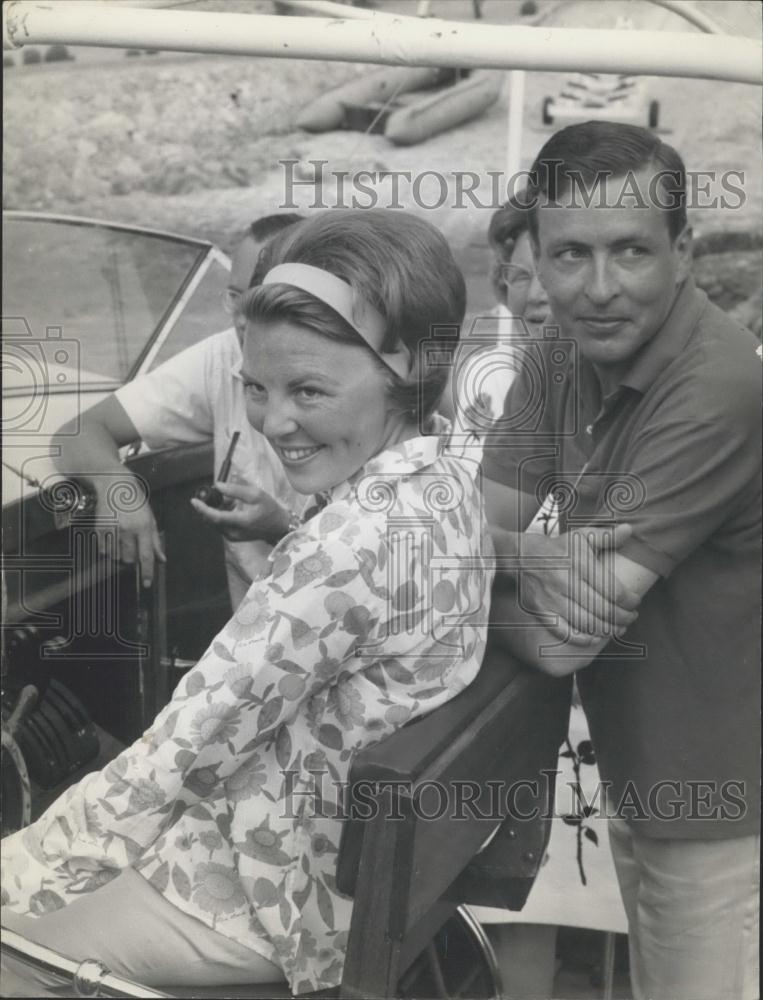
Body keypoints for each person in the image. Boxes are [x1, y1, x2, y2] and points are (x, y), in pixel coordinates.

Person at [0, 208, 494, 996]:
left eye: (308, 390)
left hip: (275, 899)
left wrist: (17, 866)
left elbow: (179, 753)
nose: (273, 423)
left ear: (402, 363)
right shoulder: (446, 478)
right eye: (257, 389)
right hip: (355, 874)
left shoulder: (339, 549)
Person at [482, 121, 760, 1000]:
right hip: (643, 767)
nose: (598, 289)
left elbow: (565, 637)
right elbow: (483, 521)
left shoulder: (716, 383)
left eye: (630, 252)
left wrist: (470, 573)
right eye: (569, 256)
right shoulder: (560, 345)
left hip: (721, 793)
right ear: (533, 257)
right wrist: (517, 554)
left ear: (683, 253)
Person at [52, 213, 304, 610]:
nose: (239, 318)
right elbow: (80, 432)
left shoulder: (356, 383)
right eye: (234, 297)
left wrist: (282, 528)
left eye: (256, 299)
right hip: (251, 644)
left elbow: (383, 558)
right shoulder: (223, 355)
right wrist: (118, 488)